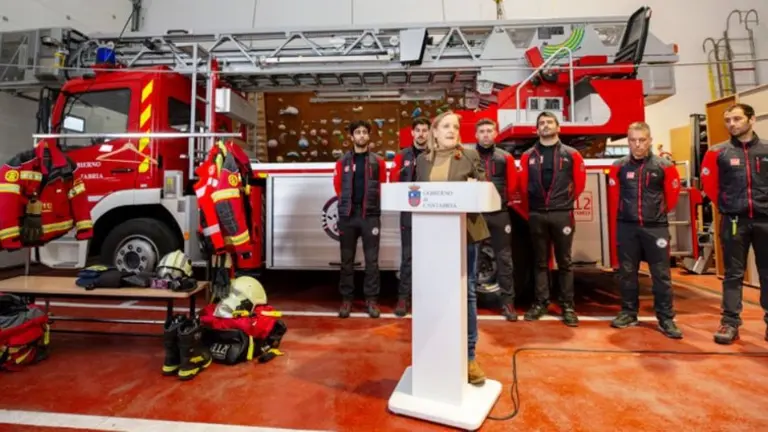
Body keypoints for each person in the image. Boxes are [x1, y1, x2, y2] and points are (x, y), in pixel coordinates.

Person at [414, 110, 490, 385]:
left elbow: (483, 192)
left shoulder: (470, 156)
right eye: (446, 126)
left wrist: (475, 189)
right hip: (432, 237)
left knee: (466, 292)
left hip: (464, 235)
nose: (452, 130)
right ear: (434, 131)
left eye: (455, 127)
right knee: (435, 293)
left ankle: (469, 356)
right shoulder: (422, 161)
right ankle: (436, 350)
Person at [607, 121, 683, 339]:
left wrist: (656, 214)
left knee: (661, 275)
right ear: (628, 141)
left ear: (649, 140)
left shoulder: (664, 166)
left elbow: (671, 197)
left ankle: (666, 318)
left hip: (655, 228)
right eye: (633, 140)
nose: (637, 145)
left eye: (641, 140)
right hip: (627, 226)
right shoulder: (619, 166)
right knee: (627, 273)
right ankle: (629, 312)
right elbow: (614, 197)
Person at [700, 103, 768, 344]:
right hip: (734, 221)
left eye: (737, 119)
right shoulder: (717, 153)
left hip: (765, 221)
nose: (732, 124)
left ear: (752, 119)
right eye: (728, 120)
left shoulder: (766, 149)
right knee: (733, 274)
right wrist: (728, 206)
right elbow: (709, 186)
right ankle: (730, 323)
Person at [518, 111, 586, 326]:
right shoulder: (528, 156)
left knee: (564, 262)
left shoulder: (572, 154)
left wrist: (563, 203)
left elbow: (580, 184)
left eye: (549, 122)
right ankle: (540, 303)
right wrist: (534, 210)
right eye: (541, 123)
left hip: (562, 213)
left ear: (558, 127)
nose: (545, 126)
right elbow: (522, 185)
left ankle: (567, 306)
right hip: (537, 214)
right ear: (536, 129)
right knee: (539, 262)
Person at [332, 120, 387, 319]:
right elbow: (337, 186)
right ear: (351, 137)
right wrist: (347, 206)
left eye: (365, 132)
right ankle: (346, 300)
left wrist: (370, 206)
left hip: (370, 217)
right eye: (358, 132)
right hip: (348, 217)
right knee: (346, 261)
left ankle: (371, 300)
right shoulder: (342, 162)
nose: (362, 135)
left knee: (372, 261)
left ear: (369, 136)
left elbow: (382, 186)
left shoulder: (378, 162)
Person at [474, 118, 519, 321]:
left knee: (504, 258)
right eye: (481, 131)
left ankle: (508, 303)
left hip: (499, 214)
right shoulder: (468, 157)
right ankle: (469, 303)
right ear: (476, 135)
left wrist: (499, 202)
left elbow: (512, 185)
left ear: (495, 133)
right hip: (475, 214)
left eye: (488, 131)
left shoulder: (505, 158)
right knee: (471, 258)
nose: (485, 134)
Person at [389, 117, 430, 317]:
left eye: (425, 130)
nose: (421, 133)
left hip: (432, 213)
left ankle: (428, 298)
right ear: (412, 133)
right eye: (418, 130)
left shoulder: (436, 155)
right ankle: (403, 298)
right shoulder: (401, 156)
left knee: (431, 257)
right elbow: (393, 181)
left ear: (429, 133)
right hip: (409, 213)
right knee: (408, 257)